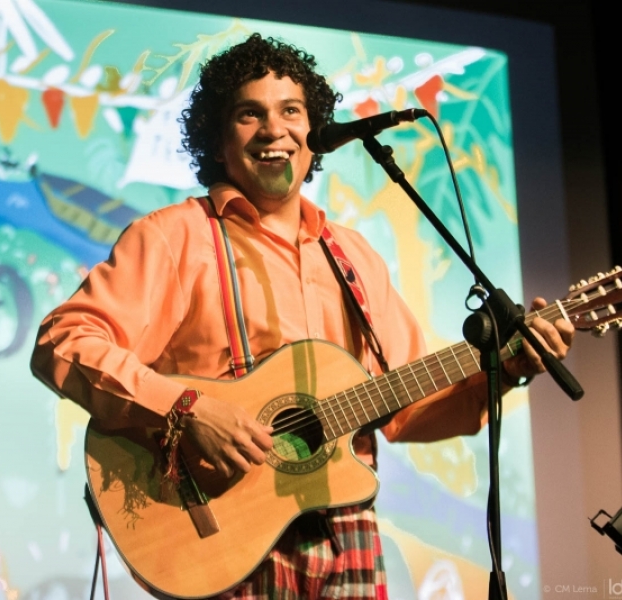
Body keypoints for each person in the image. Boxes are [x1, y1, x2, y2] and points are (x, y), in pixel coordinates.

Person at [30, 33, 574, 600]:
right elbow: (63, 341)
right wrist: (185, 411)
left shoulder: (353, 256)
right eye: (249, 114)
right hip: (220, 544)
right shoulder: (172, 237)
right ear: (217, 139)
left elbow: (409, 409)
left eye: (292, 111)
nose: (274, 130)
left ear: (315, 135)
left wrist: (508, 368)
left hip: (348, 538)